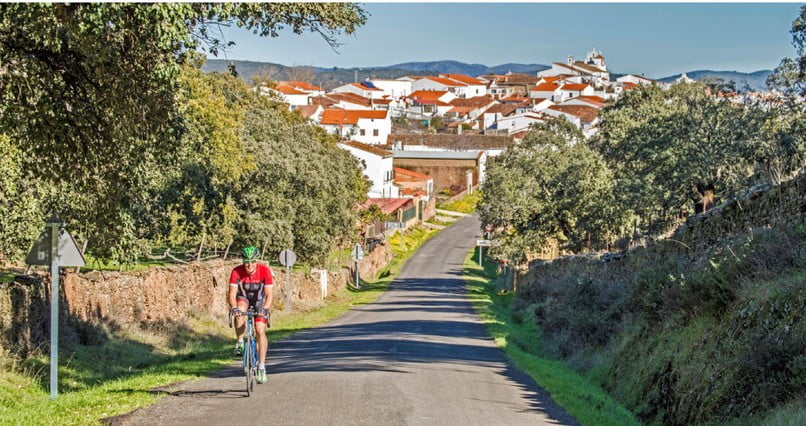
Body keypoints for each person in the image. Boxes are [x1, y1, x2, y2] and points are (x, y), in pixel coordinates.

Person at [229, 246, 273, 384]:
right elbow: (232, 294)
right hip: (244, 299)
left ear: (256, 261)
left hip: (260, 302)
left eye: (253, 261)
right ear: (243, 261)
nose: (250, 265)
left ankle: (261, 367)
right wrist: (234, 308)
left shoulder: (265, 271)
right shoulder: (236, 271)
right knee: (239, 310)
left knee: (260, 330)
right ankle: (240, 341)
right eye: (247, 262)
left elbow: (269, 295)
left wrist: (265, 308)